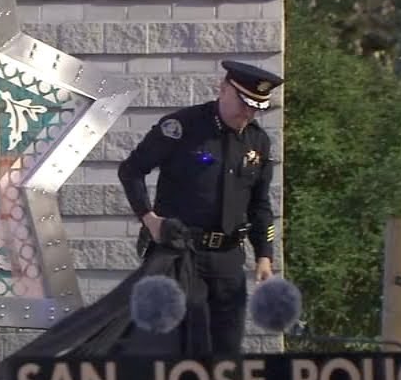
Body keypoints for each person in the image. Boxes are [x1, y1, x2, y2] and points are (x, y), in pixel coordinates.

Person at [117, 59, 282, 355]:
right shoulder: (182, 128)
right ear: (223, 89)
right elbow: (131, 170)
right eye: (244, 103)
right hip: (180, 255)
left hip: (228, 260)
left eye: (257, 107)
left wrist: (265, 256)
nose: (249, 112)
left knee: (225, 350)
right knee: (177, 349)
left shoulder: (258, 142)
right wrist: (148, 218)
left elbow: (260, 204)